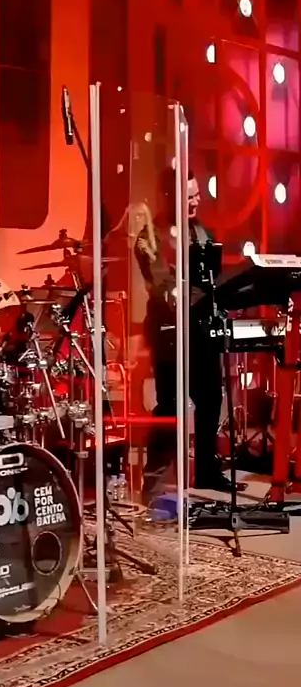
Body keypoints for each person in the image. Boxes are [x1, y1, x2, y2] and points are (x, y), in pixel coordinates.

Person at [136, 169, 231, 498]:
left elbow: (213, 279)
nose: (196, 200)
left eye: (197, 193)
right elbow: (163, 287)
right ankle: (155, 483)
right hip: (170, 333)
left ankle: (206, 470)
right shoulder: (150, 237)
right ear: (170, 197)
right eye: (189, 196)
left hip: (201, 328)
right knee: (170, 406)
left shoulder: (203, 232)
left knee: (210, 399)